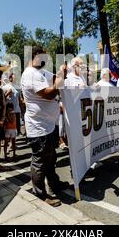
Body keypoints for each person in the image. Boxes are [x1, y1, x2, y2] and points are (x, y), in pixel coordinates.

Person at [21, 46, 70, 207]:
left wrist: (62, 72)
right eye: (44, 58)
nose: (46, 61)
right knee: (40, 161)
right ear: (35, 56)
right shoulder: (30, 74)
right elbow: (48, 94)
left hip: (48, 125)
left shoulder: (40, 73)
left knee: (51, 158)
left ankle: (54, 184)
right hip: (39, 127)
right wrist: (58, 84)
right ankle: (40, 193)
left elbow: (54, 76)